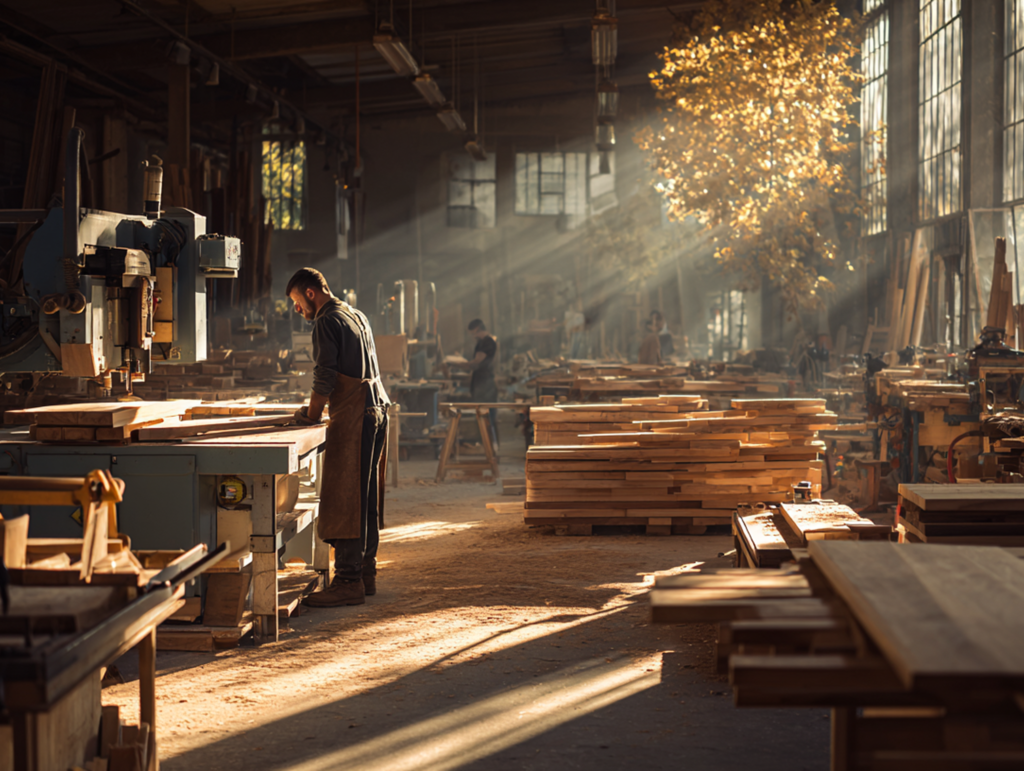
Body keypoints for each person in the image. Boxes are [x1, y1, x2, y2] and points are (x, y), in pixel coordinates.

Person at [287, 267, 391, 607]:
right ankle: (365, 574)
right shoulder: (356, 314)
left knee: (347, 497)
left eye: (297, 301)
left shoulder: (326, 321)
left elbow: (325, 375)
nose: (297, 309)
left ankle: (348, 581)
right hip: (377, 410)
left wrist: (310, 415)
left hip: (356, 415)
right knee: (366, 498)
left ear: (311, 293)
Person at [456, 319, 499, 449]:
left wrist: (459, 364)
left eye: (472, 333)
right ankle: (486, 445)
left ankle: (492, 446)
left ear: (478, 329)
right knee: (481, 417)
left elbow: (477, 362)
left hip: (486, 386)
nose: (472, 336)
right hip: (480, 384)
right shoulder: (481, 342)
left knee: (488, 417)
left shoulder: (487, 342)